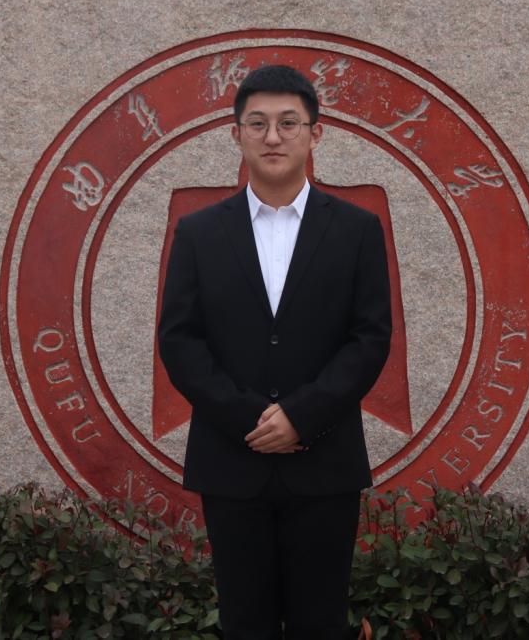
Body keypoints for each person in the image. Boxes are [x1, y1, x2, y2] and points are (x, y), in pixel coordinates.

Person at [157, 64, 392, 639]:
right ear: (236, 134)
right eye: (257, 123)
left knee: (321, 624)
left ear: (316, 134)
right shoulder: (199, 232)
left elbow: (369, 339)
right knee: (244, 624)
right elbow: (180, 340)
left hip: (325, 463)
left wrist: (302, 416)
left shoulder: (358, 230)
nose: (273, 136)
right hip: (231, 462)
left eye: (289, 123)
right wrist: (252, 420)